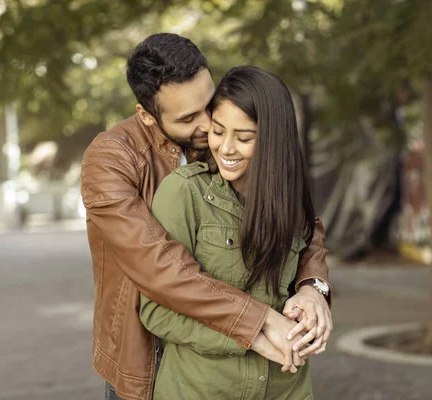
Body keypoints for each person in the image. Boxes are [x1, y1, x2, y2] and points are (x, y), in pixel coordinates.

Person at [81, 34, 332, 400]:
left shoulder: (219, 140)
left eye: (208, 104)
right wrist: (261, 322)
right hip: (144, 354)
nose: (208, 123)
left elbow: (298, 222)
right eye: (188, 118)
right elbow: (160, 268)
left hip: (235, 365)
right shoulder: (109, 160)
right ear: (147, 116)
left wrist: (313, 287)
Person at [140, 66, 320, 399]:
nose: (226, 148)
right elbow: (155, 311)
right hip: (202, 390)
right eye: (218, 131)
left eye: (245, 138)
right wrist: (257, 336)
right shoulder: (183, 194)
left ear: (272, 140)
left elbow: (309, 258)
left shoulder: (291, 199)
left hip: (287, 390)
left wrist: (314, 295)